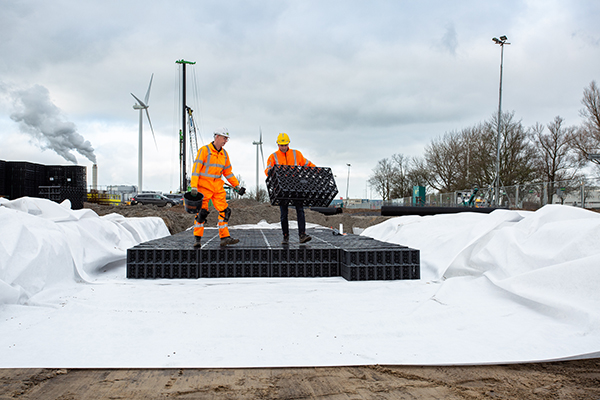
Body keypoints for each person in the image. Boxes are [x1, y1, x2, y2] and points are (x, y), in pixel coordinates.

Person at [190, 127, 245, 248]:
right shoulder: (204, 151)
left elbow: (228, 173)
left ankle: (224, 237)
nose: (226, 141)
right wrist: (193, 186)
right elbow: (196, 169)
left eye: (227, 139)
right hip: (204, 187)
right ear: (217, 137)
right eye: (224, 138)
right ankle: (197, 239)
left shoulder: (224, 154)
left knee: (225, 211)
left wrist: (237, 186)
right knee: (202, 213)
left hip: (217, 188)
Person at [264, 132, 315, 245]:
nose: (283, 147)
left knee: (300, 210)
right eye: (281, 145)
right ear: (278, 145)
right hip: (282, 187)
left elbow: (307, 163)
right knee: (284, 213)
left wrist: (316, 170)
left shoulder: (296, 154)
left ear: (288, 144)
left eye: (285, 145)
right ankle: (285, 236)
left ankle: (302, 234)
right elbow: (267, 170)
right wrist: (271, 171)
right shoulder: (273, 157)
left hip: (295, 185)